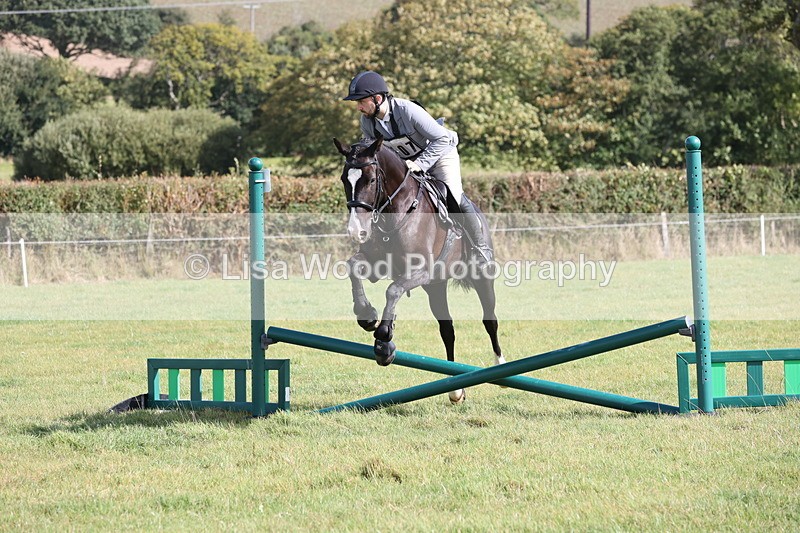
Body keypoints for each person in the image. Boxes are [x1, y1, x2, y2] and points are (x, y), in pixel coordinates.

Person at [342, 70, 493, 264]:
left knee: (454, 195)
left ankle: (480, 249)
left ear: (377, 98)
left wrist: (421, 163)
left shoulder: (407, 110)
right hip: (408, 164)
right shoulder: (367, 122)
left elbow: (442, 139)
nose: (359, 107)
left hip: (440, 154)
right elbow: (375, 153)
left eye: (361, 101)